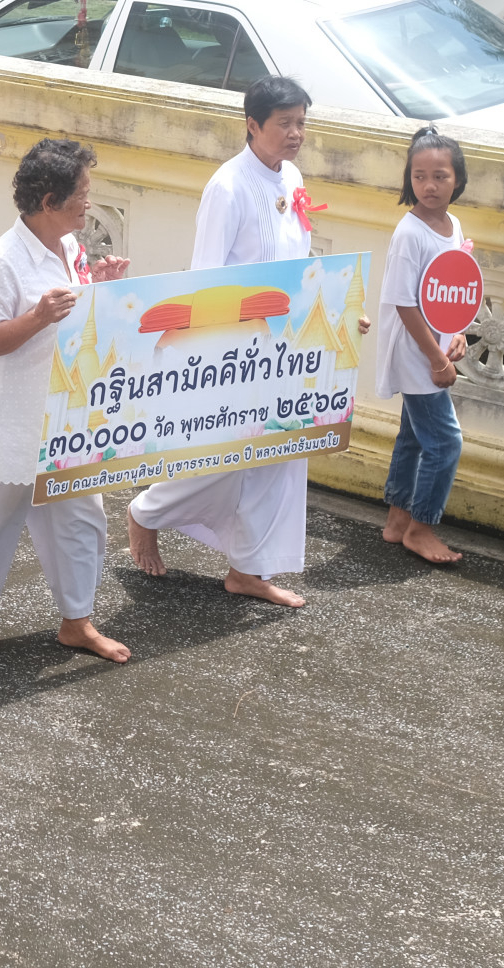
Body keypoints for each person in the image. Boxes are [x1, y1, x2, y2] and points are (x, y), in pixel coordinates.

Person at [129, 76, 367, 605]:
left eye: (301, 122)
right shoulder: (228, 186)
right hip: (232, 349)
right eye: (285, 123)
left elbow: (300, 266)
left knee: (280, 452)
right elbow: (206, 274)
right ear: (252, 125)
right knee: (223, 452)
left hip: (284, 346)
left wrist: (340, 313)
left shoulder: (291, 176)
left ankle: (248, 570)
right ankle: (147, 512)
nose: (296, 133)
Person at [0, 139, 131, 661]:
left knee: (83, 518)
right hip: (13, 417)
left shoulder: (70, 247)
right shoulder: (2, 261)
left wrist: (100, 286)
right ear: (48, 201)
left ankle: (77, 621)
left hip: (66, 411)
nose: (88, 202)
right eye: (81, 193)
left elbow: (79, 319)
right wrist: (37, 316)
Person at [375, 127, 474, 566]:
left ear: (458, 179)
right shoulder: (410, 234)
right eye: (419, 177)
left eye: (440, 176)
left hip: (434, 347)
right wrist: (436, 359)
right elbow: (404, 303)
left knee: (415, 435)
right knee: (446, 442)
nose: (429, 186)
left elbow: (454, 288)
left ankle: (398, 520)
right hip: (416, 350)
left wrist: (458, 333)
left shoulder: (453, 226)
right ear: (408, 179)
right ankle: (421, 528)